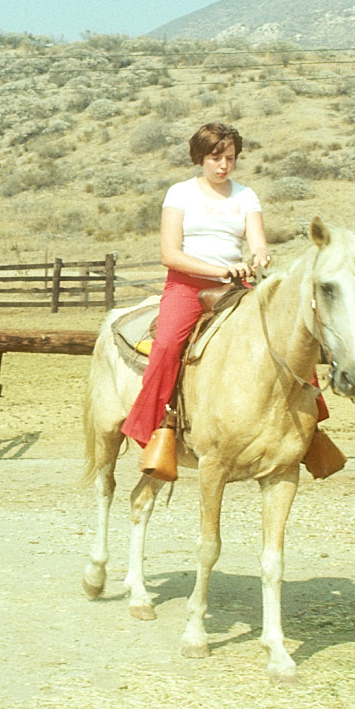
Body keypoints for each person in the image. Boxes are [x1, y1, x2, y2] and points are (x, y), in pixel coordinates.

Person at [122, 122, 270, 481]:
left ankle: (306, 430)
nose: (224, 165)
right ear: (200, 158)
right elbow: (169, 255)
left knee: (278, 332)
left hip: (235, 284)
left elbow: (258, 242)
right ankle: (155, 429)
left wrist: (259, 257)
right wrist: (219, 269)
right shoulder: (180, 194)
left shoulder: (246, 195)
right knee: (168, 345)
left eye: (230, 158)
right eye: (216, 157)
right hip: (187, 286)